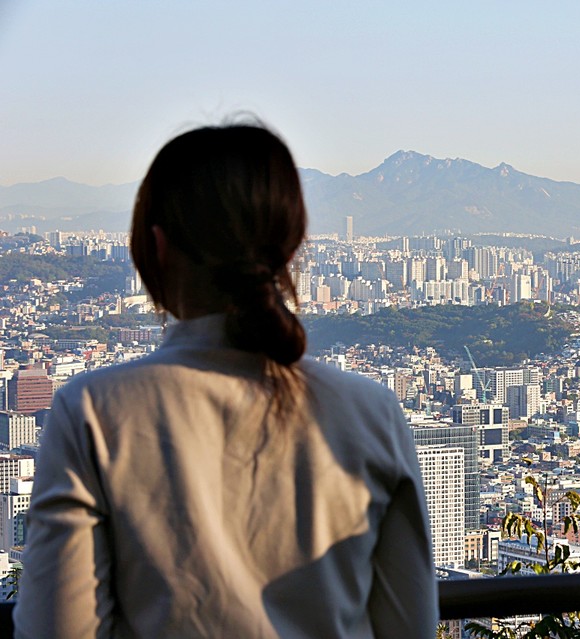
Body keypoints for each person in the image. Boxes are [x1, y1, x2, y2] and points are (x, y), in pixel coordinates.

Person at [14, 122, 438, 638]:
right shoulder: (373, 413)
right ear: (290, 247)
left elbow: (56, 629)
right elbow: (410, 625)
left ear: (158, 247)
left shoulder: (93, 414)